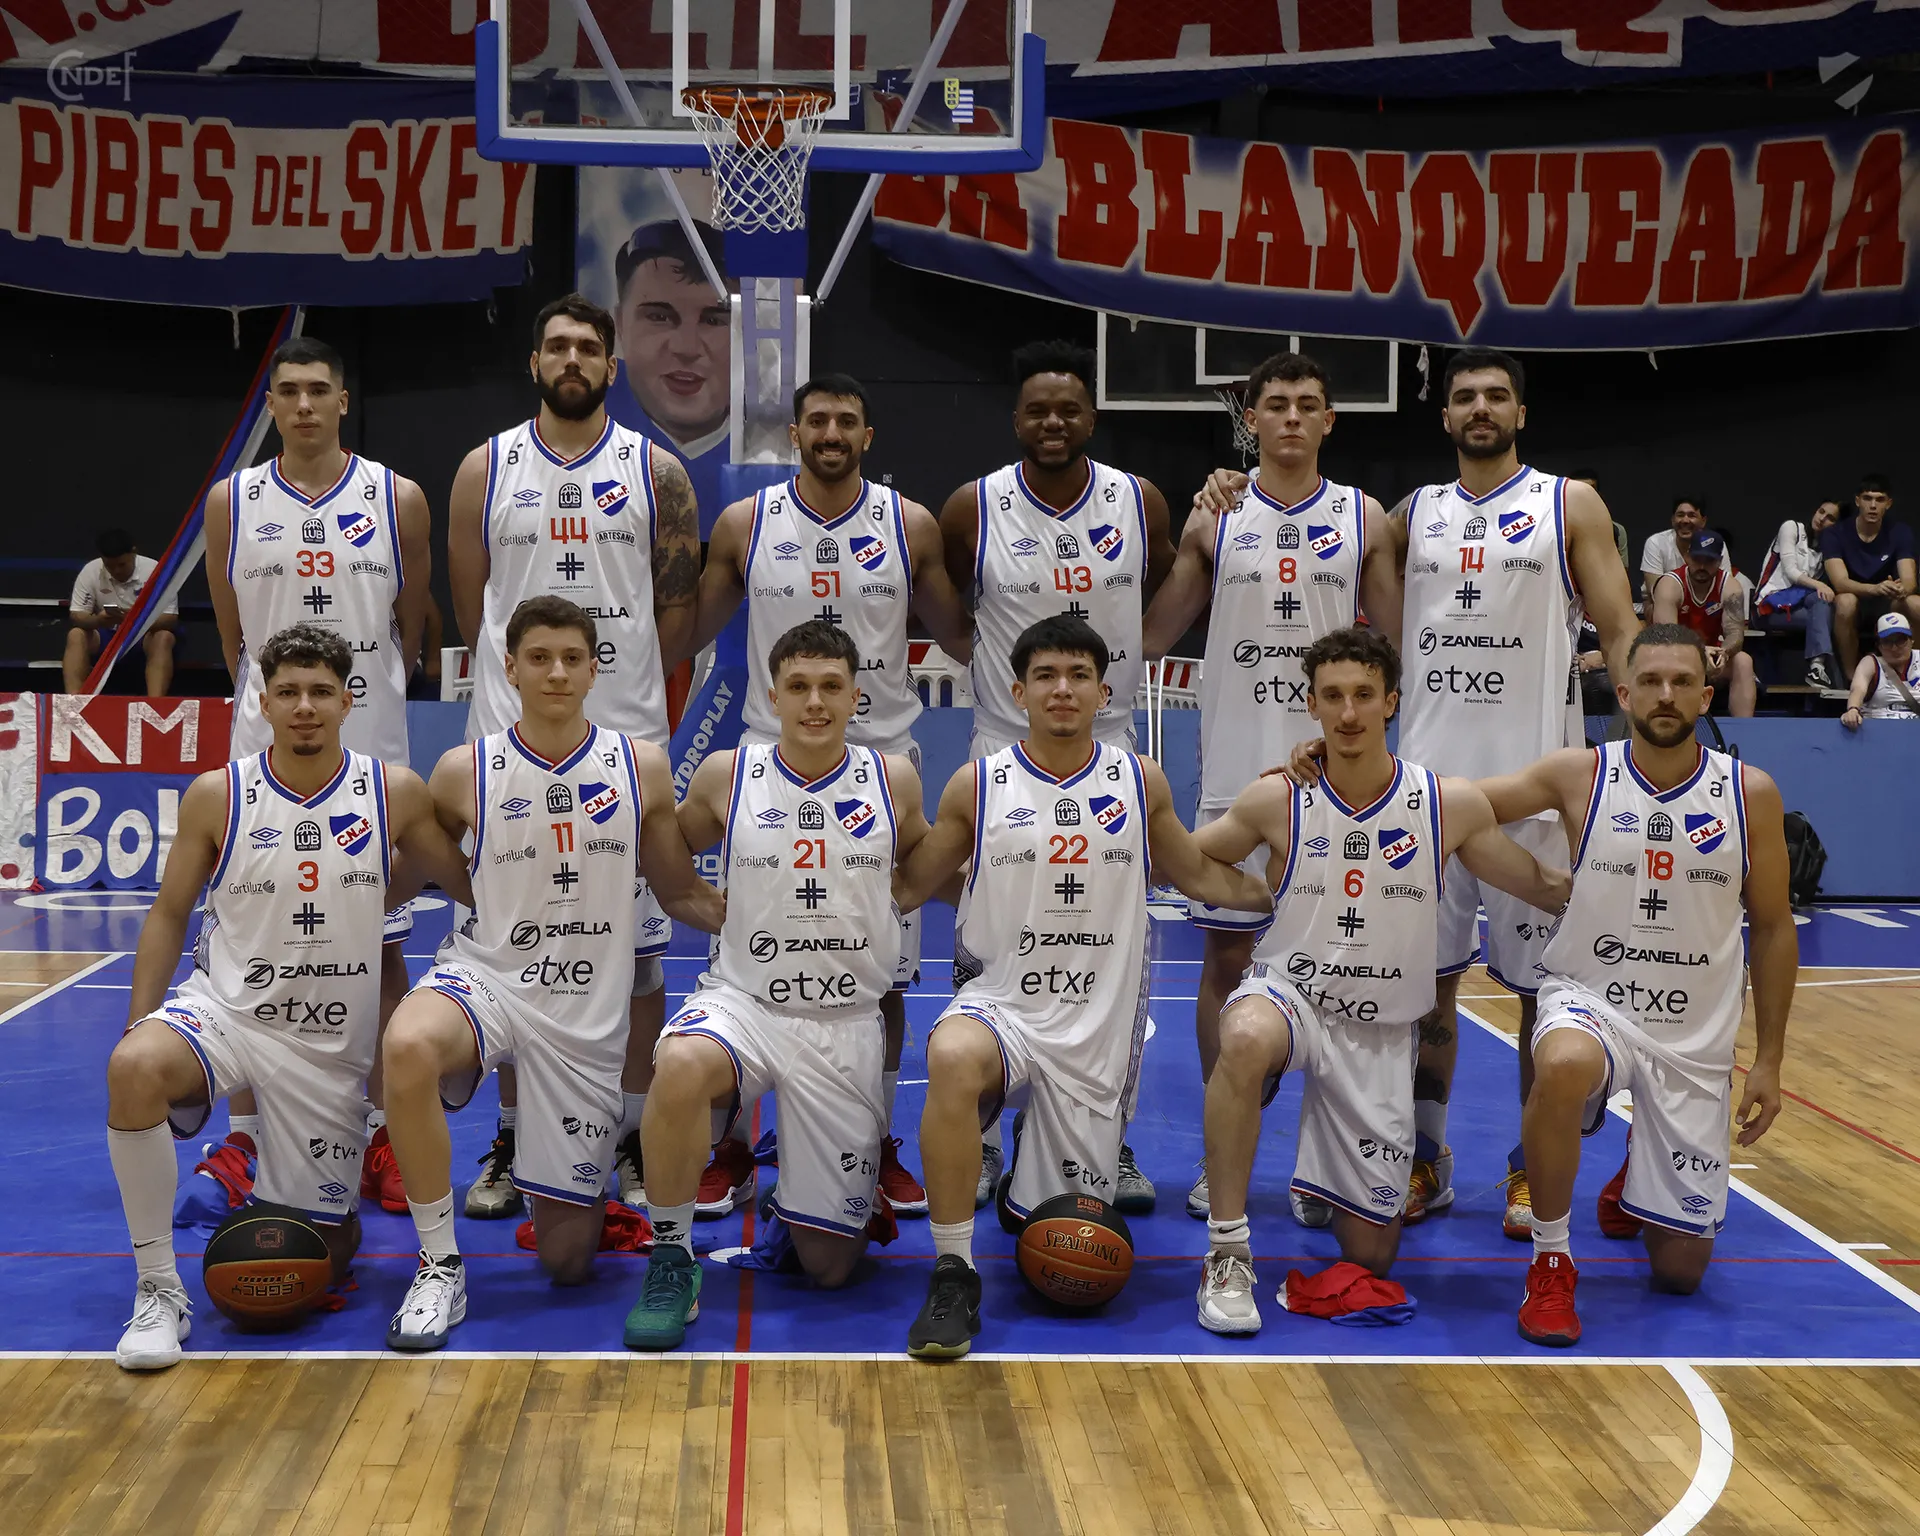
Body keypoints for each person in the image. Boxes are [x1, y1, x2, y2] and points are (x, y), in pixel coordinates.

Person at [1258, 349, 1641, 1241]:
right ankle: (1423, 1158)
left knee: (1543, 996)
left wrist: (1634, 757)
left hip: (1537, 792)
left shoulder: (1569, 504)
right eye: (1465, 396)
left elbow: (1622, 628)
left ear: (1521, 412)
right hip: (1423, 798)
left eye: (1497, 395)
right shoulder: (1411, 514)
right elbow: (1360, 630)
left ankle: (1531, 1164)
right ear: (1444, 415)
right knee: (1419, 990)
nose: (1481, 407)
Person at [892, 615, 1274, 1359]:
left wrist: (1284, 895)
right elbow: (912, 884)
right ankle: (953, 1271)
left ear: (1104, 692)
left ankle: (1026, 1174)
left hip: (1094, 1029)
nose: (1061, 690)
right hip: (1002, 1006)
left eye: (1077, 676)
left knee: (1064, 1242)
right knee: (952, 1054)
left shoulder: (1139, 780)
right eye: (1044, 676)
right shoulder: (979, 783)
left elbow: (1194, 873)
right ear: (1018, 692)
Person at [103, 624, 471, 1370]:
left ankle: (310, 1205)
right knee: (134, 1069)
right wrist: (139, 1021)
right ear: (264, 703)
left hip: (327, 1052)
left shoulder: (393, 792)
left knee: (317, 1257)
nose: (305, 706)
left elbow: (469, 882)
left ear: (347, 701)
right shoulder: (218, 794)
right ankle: (159, 1290)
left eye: (320, 692)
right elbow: (169, 913)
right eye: (289, 692)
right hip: (228, 1013)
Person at [1188, 627, 1570, 1334]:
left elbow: (1540, 885)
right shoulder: (1277, 798)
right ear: (1310, 704)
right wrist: (1261, 895)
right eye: (1332, 696)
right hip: (1292, 998)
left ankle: (1327, 1182)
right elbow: (1188, 860)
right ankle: (1228, 1250)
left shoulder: (1445, 803)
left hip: (1380, 1033)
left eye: (1364, 694)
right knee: (1242, 1035)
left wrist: (1618, 894)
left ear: (1392, 701)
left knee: (1373, 1256)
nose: (1348, 712)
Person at [380, 597, 723, 1351]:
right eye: (539, 658)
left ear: (596, 669)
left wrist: (774, 929)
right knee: (407, 1044)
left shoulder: (641, 766)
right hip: (486, 980)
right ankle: (438, 1266)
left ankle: (565, 1182)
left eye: (572, 658)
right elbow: (413, 875)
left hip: (582, 1022)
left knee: (567, 1262)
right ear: (509, 668)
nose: (557, 673)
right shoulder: (463, 771)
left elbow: (680, 892)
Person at [687, 374, 973, 1220]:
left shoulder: (908, 524)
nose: (832, 433)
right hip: (768, 762)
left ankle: (872, 1141)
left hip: (882, 764)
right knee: (745, 964)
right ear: (795, 433)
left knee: (882, 975)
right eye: (817, 420)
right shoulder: (745, 524)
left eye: (848, 420)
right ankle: (730, 1145)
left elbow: (965, 635)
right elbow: (685, 629)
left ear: (868, 435)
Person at [447, 293, 702, 1223]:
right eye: (556, 345)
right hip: (508, 748)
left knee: (638, 959)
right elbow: (475, 603)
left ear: (611, 367)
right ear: (534, 362)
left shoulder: (657, 471)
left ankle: (628, 1135)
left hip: (623, 742)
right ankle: (516, 1137)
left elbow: (676, 611)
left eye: (588, 348)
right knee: (514, 954)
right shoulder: (486, 468)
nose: (571, 359)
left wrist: (630, 693)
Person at [1473, 624, 1795, 1346]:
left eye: (1683, 682)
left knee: (1679, 1273)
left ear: (1706, 696)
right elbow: (1446, 805)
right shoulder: (1578, 773)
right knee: (1562, 1064)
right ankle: (1551, 1261)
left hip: (1692, 1038)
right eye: (1650, 681)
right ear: (1623, 694)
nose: (1666, 694)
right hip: (1591, 1003)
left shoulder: (1749, 793)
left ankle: (1637, 1179)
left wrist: (1770, 1059)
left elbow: (1775, 928)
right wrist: (1537, 882)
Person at [1140, 352, 1400, 1224]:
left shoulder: (1363, 516)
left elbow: (1400, 645)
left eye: (1307, 404)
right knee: (1225, 960)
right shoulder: (1217, 514)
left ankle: (1323, 1167)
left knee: (1337, 967)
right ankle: (1223, 1161)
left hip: (1336, 779)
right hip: (1233, 771)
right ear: (1250, 420)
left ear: (1330, 420)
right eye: (1276, 405)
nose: (1292, 417)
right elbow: (1153, 634)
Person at [625, 621, 931, 1347]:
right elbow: (667, 842)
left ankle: (807, 1204)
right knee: (680, 1063)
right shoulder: (728, 774)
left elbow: (925, 862)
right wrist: (689, 899)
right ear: (773, 696)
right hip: (746, 1003)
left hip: (845, 1021)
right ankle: (671, 1257)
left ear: (856, 696)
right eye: (798, 686)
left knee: (830, 1269)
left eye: (830, 687)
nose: (814, 702)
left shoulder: (893, 779)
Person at [938, 339, 1178, 1214]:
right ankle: (987, 1138)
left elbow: (1162, 585)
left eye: (1068, 408)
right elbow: (954, 612)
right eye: (1037, 409)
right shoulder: (974, 506)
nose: (1053, 422)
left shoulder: (1138, 500)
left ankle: (1104, 1138)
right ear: (1016, 419)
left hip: (1108, 754)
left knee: (1113, 960)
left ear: (1091, 417)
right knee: (988, 950)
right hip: (1003, 750)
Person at [204, 334, 433, 1218]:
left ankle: (383, 1130)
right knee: (252, 943)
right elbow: (235, 637)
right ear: (271, 405)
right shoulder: (232, 502)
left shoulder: (396, 497)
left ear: (343, 400)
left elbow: (409, 626)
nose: (303, 405)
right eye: (288, 391)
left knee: (381, 941)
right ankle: (246, 1140)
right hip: (264, 751)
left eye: (318, 390)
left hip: (368, 744)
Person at [607, 219, 732, 522]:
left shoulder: (780, 431)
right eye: (659, 317)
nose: (687, 348)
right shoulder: (585, 415)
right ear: (620, 325)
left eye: (713, 320)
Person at [1649, 528, 1756, 716]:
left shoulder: (1730, 587)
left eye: (1709, 561)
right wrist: (1698, 651)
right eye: (1697, 559)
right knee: (1666, 656)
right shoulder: (1670, 585)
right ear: (1687, 557)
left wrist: (1725, 652)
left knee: (1743, 661)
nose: (1702, 566)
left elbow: (1735, 634)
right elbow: (1666, 637)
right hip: (1672, 654)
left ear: (1719, 561)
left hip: (1711, 654)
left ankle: (1744, 727)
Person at [1821, 474, 1919, 678]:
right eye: (1867, 498)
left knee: (1915, 603)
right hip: (1854, 604)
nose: (1873, 506)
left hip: (1887, 603)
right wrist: (1875, 588)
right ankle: (1852, 677)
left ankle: (1912, 674)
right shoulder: (1835, 533)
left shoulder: (1900, 531)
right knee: (1846, 601)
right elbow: (1840, 583)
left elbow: (1910, 580)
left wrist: (1901, 589)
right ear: (1858, 501)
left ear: (1888, 503)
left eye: (1880, 499)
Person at [65, 527, 177, 697]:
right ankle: (74, 702)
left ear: (134, 553)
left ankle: (155, 703)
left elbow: (170, 618)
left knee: (164, 637)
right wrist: (98, 620)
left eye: (122, 565)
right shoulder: (91, 570)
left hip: (142, 635)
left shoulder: (156, 570)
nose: (116, 571)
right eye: (109, 566)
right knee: (75, 635)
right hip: (106, 634)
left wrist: (135, 619)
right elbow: (77, 615)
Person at [1752, 499, 1841, 687]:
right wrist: (1820, 585)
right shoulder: (1792, 528)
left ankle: (1817, 668)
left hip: (1799, 605)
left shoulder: (1826, 549)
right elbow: (1791, 572)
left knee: (1821, 602)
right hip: (1770, 605)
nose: (1822, 518)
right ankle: (1827, 675)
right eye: (1821, 511)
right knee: (1826, 620)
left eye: (1830, 518)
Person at [1639, 496, 1732, 608]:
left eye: (1692, 515)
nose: (1685, 520)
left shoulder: (1715, 543)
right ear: (1672, 520)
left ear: (1703, 521)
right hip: (1663, 604)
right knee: (1653, 606)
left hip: (1706, 606)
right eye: (1680, 515)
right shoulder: (1656, 542)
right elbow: (1655, 594)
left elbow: (1726, 586)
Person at [1842, 612, 1920, 726]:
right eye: (1887, 642)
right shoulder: (1870, 663)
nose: (1894, 648)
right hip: (1879, 728)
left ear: (1911, 641)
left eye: (1900, 640)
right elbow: (1858, 689)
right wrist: (1853, 709)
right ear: (1879, 646)